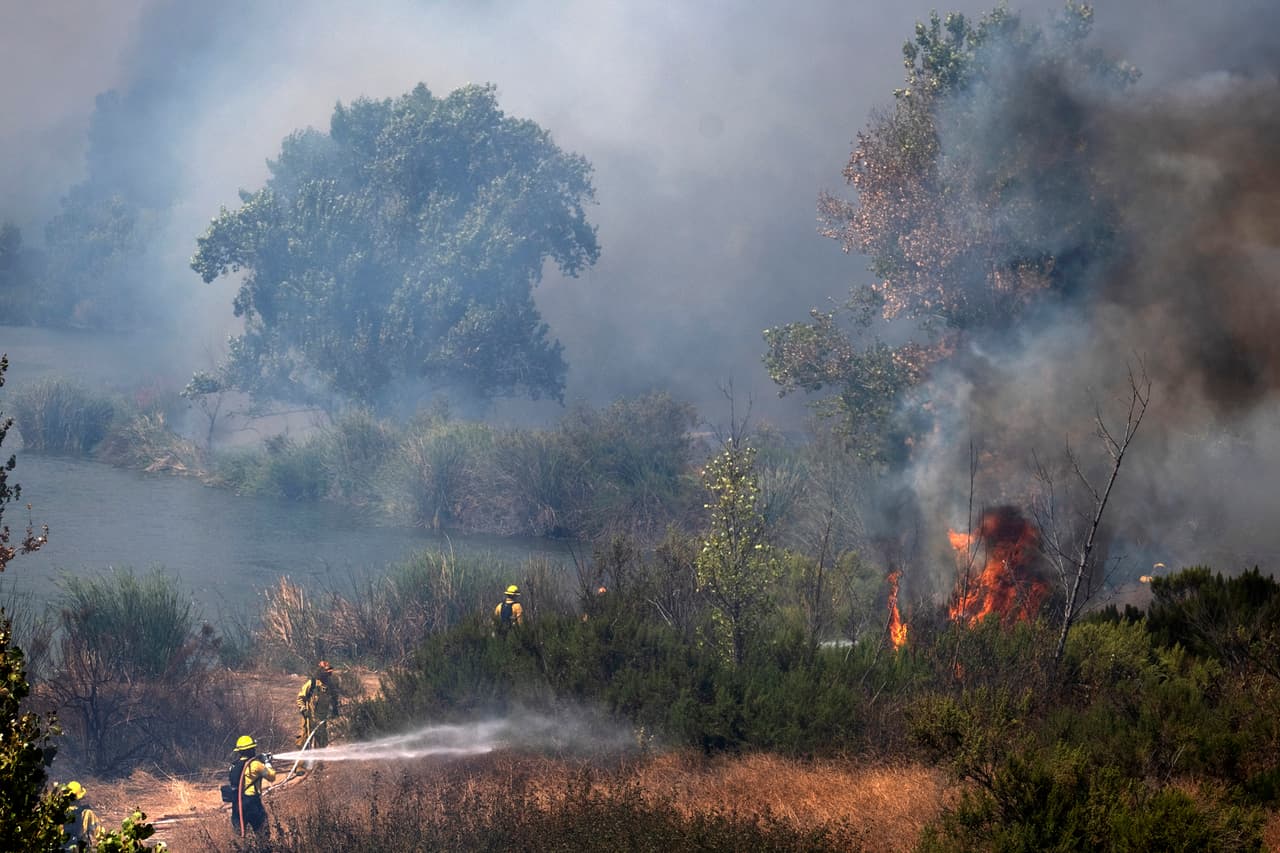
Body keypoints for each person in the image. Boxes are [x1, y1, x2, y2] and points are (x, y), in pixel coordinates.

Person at [229, 735, 276, 837]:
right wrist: (267, 763)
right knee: (263, 833)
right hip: (252, 803)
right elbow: (272, 776)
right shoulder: (255, 765)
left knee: (240, 836)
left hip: (237, 804)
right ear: (251, 750)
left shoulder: (233, 766)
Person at [296, 660, 340, 751]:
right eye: (327, 671)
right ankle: (302, 764)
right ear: (321, 671)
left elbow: (334, 699)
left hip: (321, 722)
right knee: (304, 745)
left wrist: (335, 710)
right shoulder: (312, 684)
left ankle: (318, 765)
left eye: (330, 671)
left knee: (321, 747)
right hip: (309, 720)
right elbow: (300, 698)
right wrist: (303, 709)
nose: (329, 673)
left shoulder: (331, 686)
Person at [62, 780, 101, 851]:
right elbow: (98, 833)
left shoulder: (60, 813)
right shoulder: (87, 813)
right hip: (80, 848)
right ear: (80, 797)